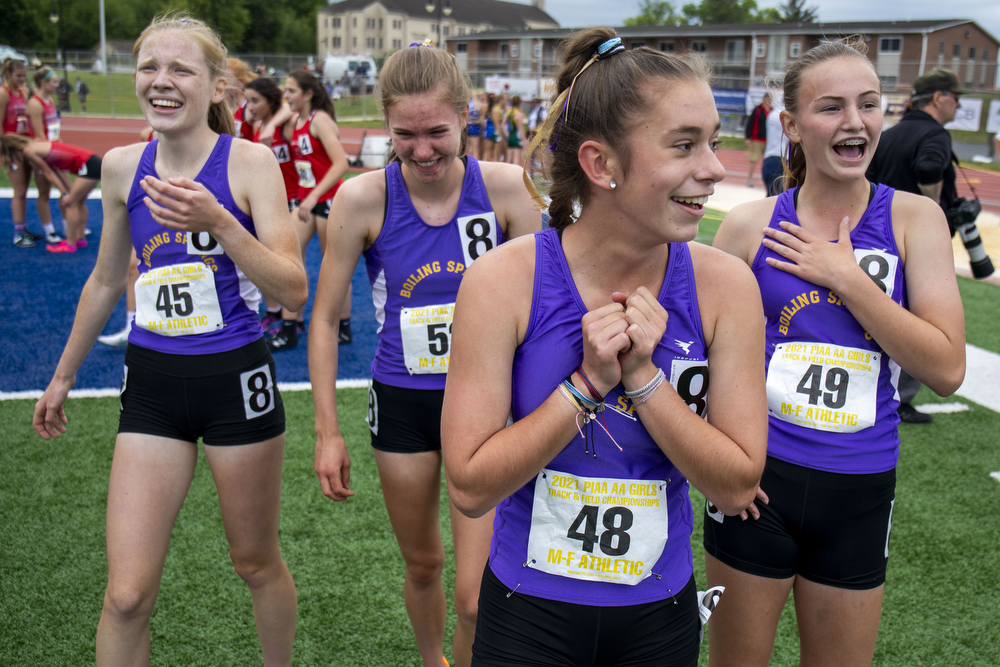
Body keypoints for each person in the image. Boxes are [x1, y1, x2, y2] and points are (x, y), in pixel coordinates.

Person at [441, 28, 766, 666]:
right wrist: (585, 386)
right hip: (525, 613)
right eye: (684, 145)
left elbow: (735, 485)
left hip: (659, 616)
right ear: (601, 164)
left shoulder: (725, 285)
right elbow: (471, 486)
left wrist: (643, 378)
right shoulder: (502, 282)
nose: (713, 169)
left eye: (714, 143)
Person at [32, 15, 307, 666]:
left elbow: (293, 290)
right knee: (126, 595)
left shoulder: (250, 163)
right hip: (152, 386)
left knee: (255, 560)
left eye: (180, 69)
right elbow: (104, 281)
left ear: (216, 87)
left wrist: (219, 222)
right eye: (149, 67)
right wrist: (63, 375)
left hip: (236, 383)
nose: (160, 81)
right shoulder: (125, 168)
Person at [703, 38, 966, 667]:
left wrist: (847, 278)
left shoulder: (914, 220)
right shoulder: (749, 226)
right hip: (755, 486)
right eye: (831, 108)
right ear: (791, 125)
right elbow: (698, 353)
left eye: (869, 105)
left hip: (860, 489)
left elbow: (947, 368)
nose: (854, 122)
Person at [309, 44, 541, 667]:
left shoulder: (506, 190)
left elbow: (557, 300)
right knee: (423, 564)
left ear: (466, 116)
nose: (421, 150)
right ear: (385, 125)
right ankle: (431, 657)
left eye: (437, 132)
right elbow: (326, 321)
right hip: (403, 405)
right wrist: (327, 431)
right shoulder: (362, 199)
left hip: (489, 406)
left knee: (474, 595)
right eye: (403, 135)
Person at [866, 69, 969, 424]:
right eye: (956, 97)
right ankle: (902, 398)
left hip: (873, 241)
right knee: (922, 325)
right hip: (912, 244)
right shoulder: (936, 134)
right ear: (939, 97)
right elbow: (927, 169)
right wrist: (937, 209)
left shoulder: (889, 134)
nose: (959, 104)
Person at [267, 68, 350, 351]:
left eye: (291, 91)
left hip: (326, 201)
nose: (286, 95)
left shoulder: (320, 120)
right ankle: (291, 326)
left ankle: (343, 324)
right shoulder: (296, 120)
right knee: (289, 258)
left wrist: (314, 196)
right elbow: (276, 115)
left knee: (334, 265)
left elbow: (341, 163)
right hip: (305, 202)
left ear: (308, 94)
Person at [244, 76, 298, 334]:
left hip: (291, 201)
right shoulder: (256, 125)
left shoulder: (285, 123)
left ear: (271, 101)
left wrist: (274, 121)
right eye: (248, 100)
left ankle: (292, 321)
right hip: (266, 202)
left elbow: (288, 107)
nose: (250, 106)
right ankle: (274, 312)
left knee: (288, 263)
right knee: (263, 259)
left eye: (256, 100)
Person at [0, 135, 99, 252]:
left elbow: (48, 173)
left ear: (12, 150)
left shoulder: (29, 151)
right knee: (79, 202)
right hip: (92, 162)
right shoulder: (37, 145)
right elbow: (56, 170)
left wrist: (64, 193)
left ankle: (70, 243)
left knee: (70, 203)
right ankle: (80, 238)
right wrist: (67, 190)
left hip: (88, 165)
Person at [1, 57, 38, 248]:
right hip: (11, 148)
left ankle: (24, 228)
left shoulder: (23, 93)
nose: (23, 79)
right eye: (18, 76)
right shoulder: (4, 94)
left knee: (25, 189)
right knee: (20, 190)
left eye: (24, 75)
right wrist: (5, 151)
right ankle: (17, 233)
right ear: (8, 74)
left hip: (25, 145)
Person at [26, 67, 64, 245]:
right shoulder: (35, 103)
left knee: (66, 188)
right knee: (44, 193)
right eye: (53, 81)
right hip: (43, 152)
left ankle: (68, 225)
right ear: (43, 82)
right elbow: (39, 135)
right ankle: (49, 231)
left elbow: (54, 128)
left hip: (55, 149)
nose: (56, 85)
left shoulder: (49, 100)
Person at [760, 93, 786, 197]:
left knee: (773, 199)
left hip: (771, 159)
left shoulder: (774, 113)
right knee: (777, 202)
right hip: (780, 160)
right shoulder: (784, 115)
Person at [745, 92, 771, 187]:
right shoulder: (758, 110)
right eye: (768, 99)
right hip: (756, 139)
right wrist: (748, 137)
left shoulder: (772, 111)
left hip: (768, 140)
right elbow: (750, 123)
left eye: (770, 99)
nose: (769, 101)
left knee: (768, 162)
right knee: (753, 159)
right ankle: (749, 179)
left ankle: (766, 180)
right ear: (764, 99)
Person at [504, 94, 525, 168]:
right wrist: (524, 139)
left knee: (508, 158)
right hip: (516, 137)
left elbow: (502, 124)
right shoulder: (519, 114)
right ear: (519, 103)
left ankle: (506, 174)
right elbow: (520, 128)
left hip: (510, 135)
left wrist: (506, 134)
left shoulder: (509, 112)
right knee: (516, 158)